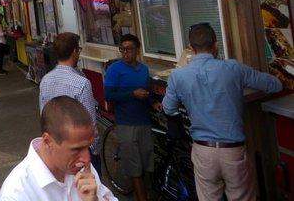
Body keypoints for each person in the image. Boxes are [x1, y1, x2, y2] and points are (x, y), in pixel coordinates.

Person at [162, 23, 283, 200]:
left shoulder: (178, 76)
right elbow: (275, 85)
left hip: (203, 152)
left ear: (191, 49)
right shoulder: (234, 69)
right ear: (215, 45)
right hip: (233, 151)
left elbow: (169, 108)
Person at [0, 96, 117, 201]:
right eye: (76, 150)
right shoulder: (17, 194)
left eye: (88, 146)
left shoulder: (82, 168)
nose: (87, 159)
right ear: (47, 141)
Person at [104, 34, 161, 201]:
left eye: (129, 49)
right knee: (134, 167)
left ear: (138, 50)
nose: (125, 53)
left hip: (143, 121)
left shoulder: (143, 69)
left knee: (145, 164)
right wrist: (132, 94)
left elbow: (146, 91)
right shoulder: (115, 70)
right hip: (126, 123)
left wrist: (152, 103)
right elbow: (108, 95)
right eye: (122, 49)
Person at [39, 32, 101, 176]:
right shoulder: (82, 83)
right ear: (74, 52)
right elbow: (90, 123)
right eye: (78, 50)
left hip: (57, 147)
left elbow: (43, 117)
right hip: (81, 150)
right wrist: (94, 150)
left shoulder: (45, 80)